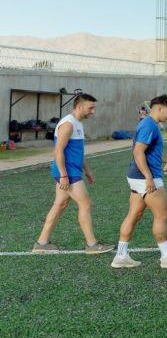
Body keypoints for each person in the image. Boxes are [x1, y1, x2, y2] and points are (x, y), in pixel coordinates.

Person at [111, 94, 167, 269]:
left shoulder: (150, 124)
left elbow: (149, 152)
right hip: (145, 177)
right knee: (161, 215)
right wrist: (148, 177)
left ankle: (121, 256)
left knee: (134, 215)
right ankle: (166, 256)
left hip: (136, 176)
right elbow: (138, 152)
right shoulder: (148, 125)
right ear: (159, 108)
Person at [33, 93, 114, 255]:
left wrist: (88, 171)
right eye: (90, 108)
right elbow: (58, 152)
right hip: (68, 173)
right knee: (85, 204)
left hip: (72, 171)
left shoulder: (77, 123)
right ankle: (92, 245)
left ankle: (41, 243)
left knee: (60, 204)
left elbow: (78, 152)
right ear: (79, 107)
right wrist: (63, 175)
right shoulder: (68, 124)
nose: (93, 111)